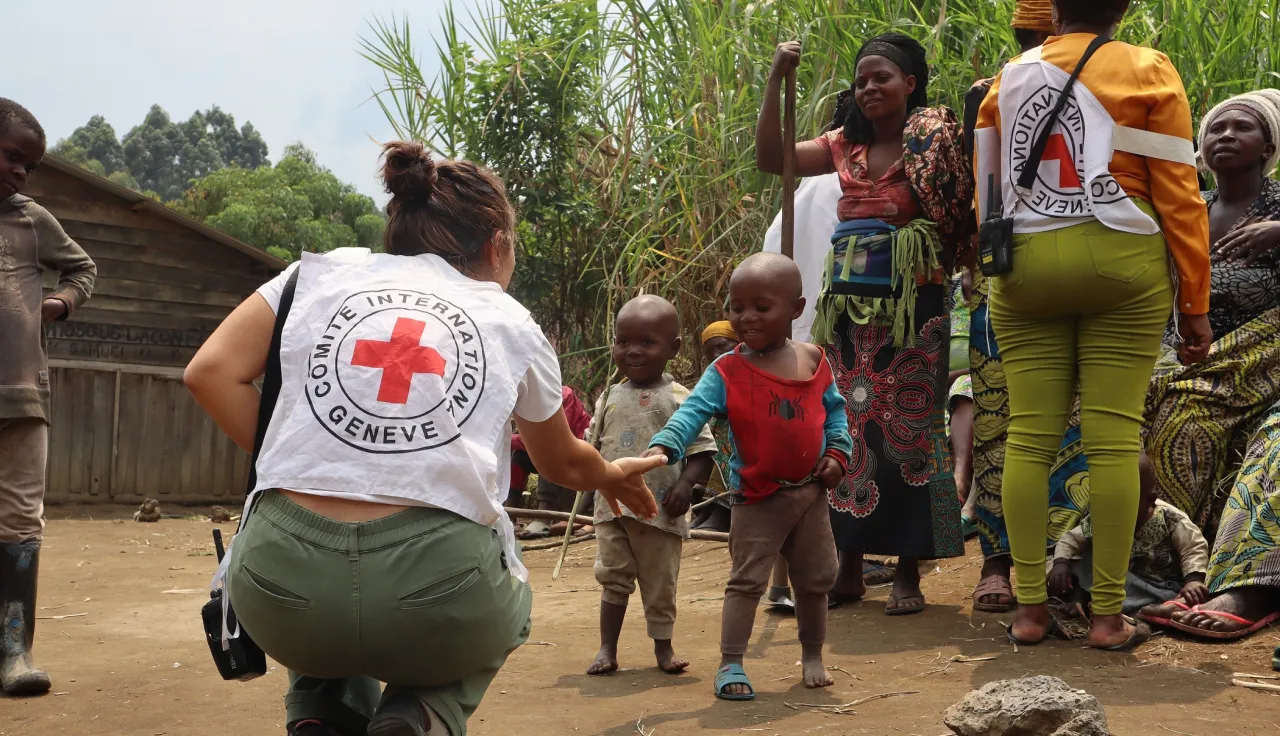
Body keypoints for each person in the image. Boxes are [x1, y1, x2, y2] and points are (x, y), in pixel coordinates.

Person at [184, 141, 663, 736]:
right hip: (437, 593)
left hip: (279, 592)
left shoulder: (314, 275)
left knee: (326, 625)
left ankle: (322, 710)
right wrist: (611, 474)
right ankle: (423, 714)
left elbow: (207, 373)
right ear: (495, 246)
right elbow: (561, 461)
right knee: (509, 605)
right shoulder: (508, 318)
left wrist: (297, 456)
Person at [973, 0, 1212, 650]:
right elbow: (1181, 195)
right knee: (1112, 440)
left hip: (1023, 267)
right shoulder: (1146, 68)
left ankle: (1029, 612)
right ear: (1125, 7)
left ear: (1054, 9)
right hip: (1121, 261)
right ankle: (1107, 617)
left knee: (1027, 437)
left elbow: (987, 186)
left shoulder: (1010, 75)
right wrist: (1195, 306)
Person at [758, 33, 973, 616]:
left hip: (915, 310)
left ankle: (908, 570)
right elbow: (770, 158)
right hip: (850, 313)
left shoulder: (930, 143)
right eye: (861, 81)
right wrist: (778, 76)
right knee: (849, 431)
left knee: (911, 435)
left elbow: (959, 216)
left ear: (910, 83)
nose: (870, 88)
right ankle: (847, 567)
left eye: (883, 77)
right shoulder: (843, 145)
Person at [1084, 90, 1280, 641]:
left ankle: (1225, 582)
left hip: (1260, 355)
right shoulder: (1185, 206)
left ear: (1268, 146)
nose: (1225, 136)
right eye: (1215, 128)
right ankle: (1150, 577)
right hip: (1185, 353)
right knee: (1144, 420)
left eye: (1242, 127)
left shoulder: (1279, 209)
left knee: (1196, 422)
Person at [648, 252, 851, 701]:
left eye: (762, 307)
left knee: (816, 579)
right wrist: (666, 444)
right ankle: (731, 662)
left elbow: (835, 414)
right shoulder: (727, 370)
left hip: (811, 494)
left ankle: (813, 654)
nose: (746, 317)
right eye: (737, 307)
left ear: (796, 309)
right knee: (746, 581)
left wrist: (838, 455)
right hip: (757, 498)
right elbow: (693, 412)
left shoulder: (814, 361)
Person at [959, 0, 1056, 614]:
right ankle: (998, 560)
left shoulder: (1111, 82)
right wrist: (973, 261)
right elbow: (979, 187)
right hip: (1007, 274)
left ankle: (1057, 562)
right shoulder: (988, 92)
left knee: (1053, 425)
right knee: (999, 417)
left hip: (1062, 272)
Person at [0, 98, 97, 696]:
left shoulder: (31, 221)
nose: (20, 173)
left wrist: (59, 303)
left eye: (28, 165)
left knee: (18, 521)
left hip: (21, 398)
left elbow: (83, 269)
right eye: (12, 156)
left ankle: (14, 650)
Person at [584, 295, 716, 677]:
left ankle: (664, 648)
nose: (632, 351)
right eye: (623, 341)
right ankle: (607, 648)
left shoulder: (680, 399)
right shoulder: (608, 396)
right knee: (612, 575)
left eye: (647, 342)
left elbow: (704, 450)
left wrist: (688, 486)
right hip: (611, 510)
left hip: (660, 510)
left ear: (673, 348)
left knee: (660, 582)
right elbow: (591, 447)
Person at [1050, 453, 1209, 618]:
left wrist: (1193, 580)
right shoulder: (1103, 516)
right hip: (1116, 579)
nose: (1116, 509)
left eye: (1125, 502)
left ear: (1150, 500)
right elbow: (1071, 539)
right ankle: (1089, 601)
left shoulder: (1171, 520)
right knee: (1081, 562)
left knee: (1176, 596)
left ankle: (1155, 609)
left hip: (1157, 586)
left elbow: (1193, 548)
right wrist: (1061, 563)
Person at [513, 385, 592, 538]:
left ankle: (544, 515)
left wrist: (508, 439)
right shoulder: (520, 399)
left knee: (548, 449)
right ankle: (510, 514)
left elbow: (556, 436)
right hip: (550, 448)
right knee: (519, 456)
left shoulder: (562, 394)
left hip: (578, 450)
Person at [691, 321, 739, 533]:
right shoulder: (715, 373)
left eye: (721, 346)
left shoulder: (749, 369)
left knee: (723, 437)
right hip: (719, 428)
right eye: (710, 350)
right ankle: (707, 507)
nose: (715, 354)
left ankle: (723, 510)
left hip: (739, 432)